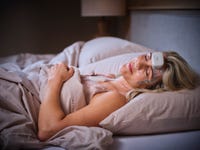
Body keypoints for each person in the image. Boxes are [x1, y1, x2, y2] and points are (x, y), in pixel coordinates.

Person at [37, 51, 199, 141]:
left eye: (147, 71)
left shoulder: (115, 99)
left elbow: (48, 130)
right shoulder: (109, 77)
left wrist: (55, 80)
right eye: (148, 57)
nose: (138, 63)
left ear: (152, 88)